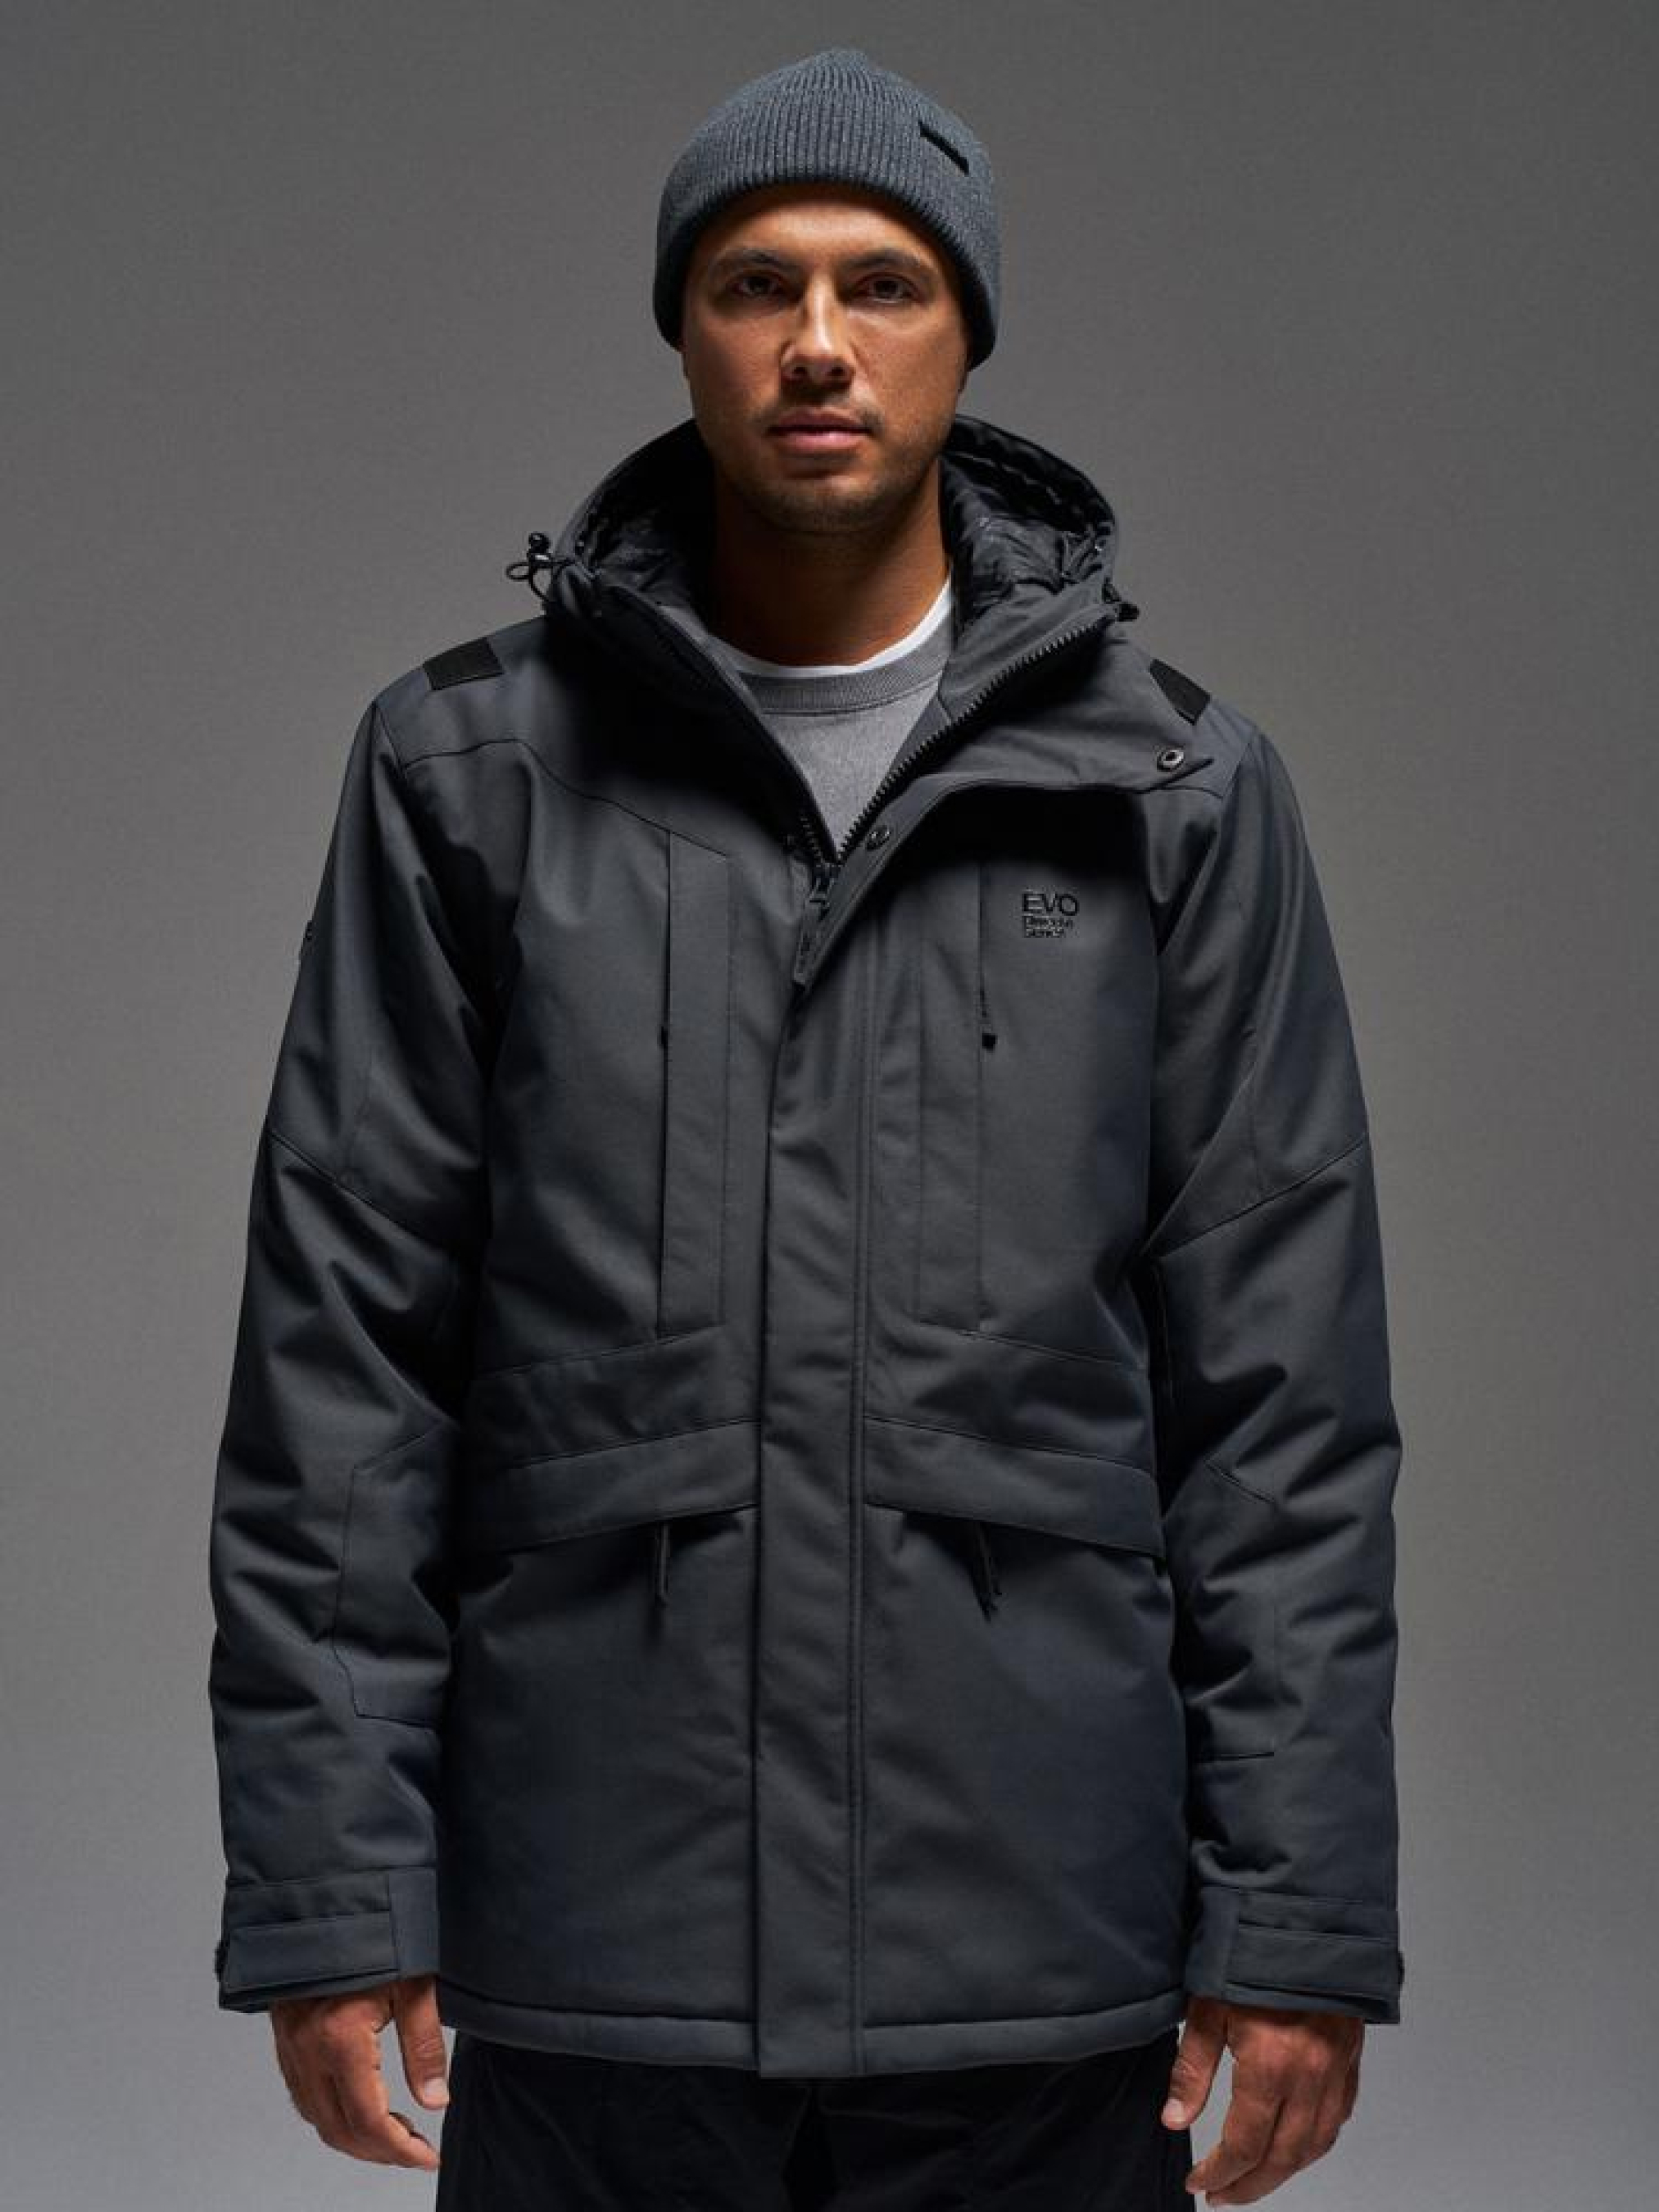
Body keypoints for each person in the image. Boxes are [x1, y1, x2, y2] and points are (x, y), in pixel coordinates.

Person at [206, 44, 1405, 2210]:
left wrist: (1297, 1922)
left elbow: (1283, 1416)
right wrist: (330, 1886)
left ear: (968, 333)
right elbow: (343, 1369)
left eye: (885, 283)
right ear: (685, 329)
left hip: (1038, 1950)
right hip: (597, 1944)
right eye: (757, 284)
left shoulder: (1173, 793)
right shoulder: (471, 774)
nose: (820, 342)